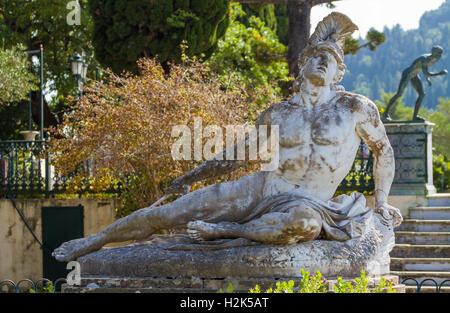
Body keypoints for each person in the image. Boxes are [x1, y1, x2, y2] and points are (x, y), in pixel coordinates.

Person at [53, 13, 402, 262]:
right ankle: (94, 241)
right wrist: (190, 177)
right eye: (317, 56)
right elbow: (238, 155)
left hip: (311, 203)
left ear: (340, 70)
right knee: (175, 211)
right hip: (264, 188)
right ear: (303, 64)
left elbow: (382, 151)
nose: (323, 62)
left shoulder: (355, 108)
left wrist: (382, 201)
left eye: (331, 58)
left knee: (304, 225)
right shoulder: (279, 113)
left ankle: (225, 232)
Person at [383, 46, 447, 121]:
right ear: (433, 53)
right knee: (399, 94)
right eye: (438, 55)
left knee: (422, 94)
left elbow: (425, 70)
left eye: (440, 55)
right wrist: (439, 73)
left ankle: (415, 117)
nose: (439, 57)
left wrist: (428, 80)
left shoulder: (432, 59)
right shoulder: (425, 59)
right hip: (407, 74)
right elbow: (426, 73)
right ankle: (385, 114)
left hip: (415, 75)